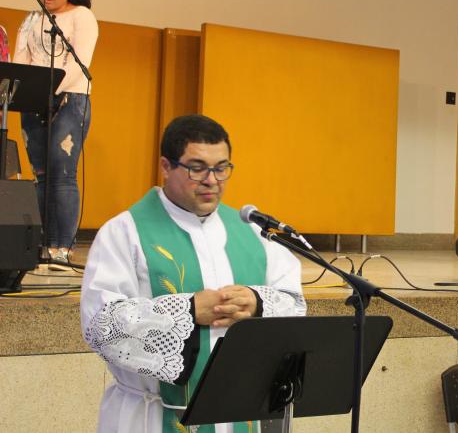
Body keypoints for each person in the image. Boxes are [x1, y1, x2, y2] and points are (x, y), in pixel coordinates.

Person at [80, 115, 307, 433]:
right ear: (165, 166)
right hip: (153, 418)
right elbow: (101, 324)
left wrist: (258, 303)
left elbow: (295, 304)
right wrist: (185, 312)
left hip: (238, 415)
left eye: (222, 167)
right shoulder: (124, 232)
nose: (212, 180)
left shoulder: (253, 233)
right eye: (197, 167)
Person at [13, 0, 98, 268]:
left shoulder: (81, 16)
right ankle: (39, 243)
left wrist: (56, 92)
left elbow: (80, 61)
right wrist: (28, 94)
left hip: (70, 99)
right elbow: (22, 58)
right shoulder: (32, 18)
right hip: (34, 99)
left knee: (62, 175)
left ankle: (61, 246)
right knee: (41, 175)